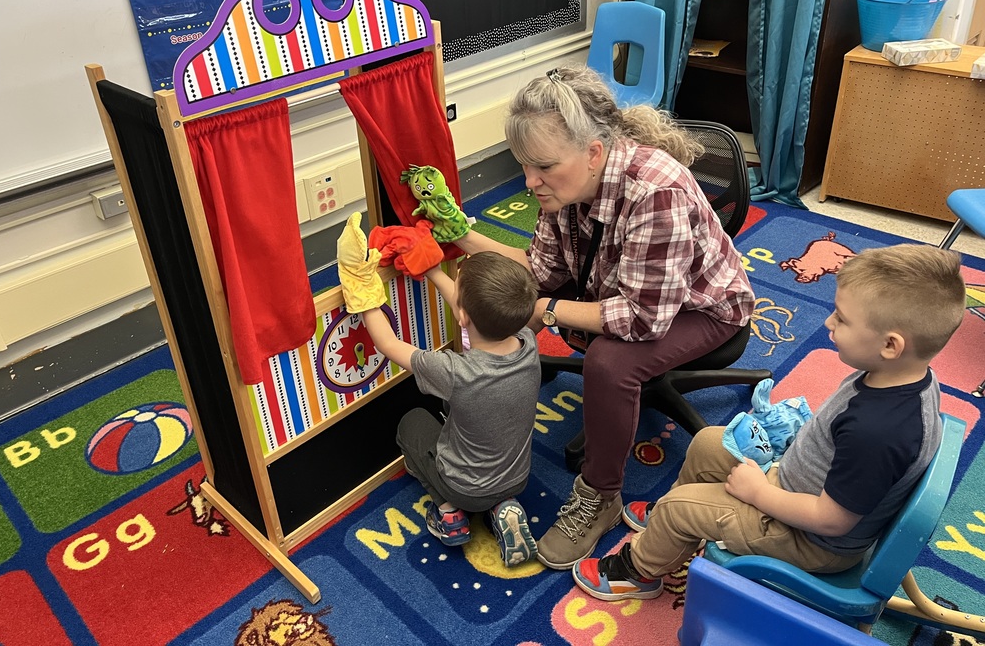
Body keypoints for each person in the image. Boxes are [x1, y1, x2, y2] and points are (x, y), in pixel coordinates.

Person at [431, 64, 756, 570]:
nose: (530, 182)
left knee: (609, 362)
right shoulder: (563, 185)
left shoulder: (657, 191)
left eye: (543, 166)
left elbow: (643, 320)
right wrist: (458, 236)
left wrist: (546, 311)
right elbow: (540, 270)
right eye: (524, 166)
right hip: (624, 290)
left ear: (594, 152)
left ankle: (600, 496)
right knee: (525, 295)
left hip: (703, 309)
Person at [571, 243, 966, 601]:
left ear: (890, 345)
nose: (828, 323)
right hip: (797, 488)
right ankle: (671, 529)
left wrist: (759, 493)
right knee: (708, 442)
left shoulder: (877, 432)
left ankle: (637, 572)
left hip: (810, 540)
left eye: (842, 319)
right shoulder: (903, 375)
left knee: (679, 508)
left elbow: (832, 521)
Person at [337, 217, 542, 566]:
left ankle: (449, 513)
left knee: (413, 422)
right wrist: (431, 268)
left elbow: (388, 344)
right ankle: (502, 507)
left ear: (462, 315)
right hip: (517, 479)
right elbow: (470, 313)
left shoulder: (454, 371)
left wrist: (362, 291)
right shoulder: (528, 342)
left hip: (464, 489)